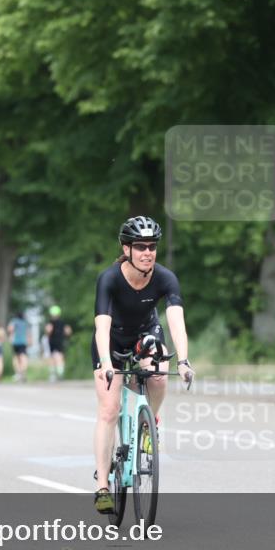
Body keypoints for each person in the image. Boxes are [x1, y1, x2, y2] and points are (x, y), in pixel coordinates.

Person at [91, 216, 194, 515]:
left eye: (152, 246)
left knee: (159, 374)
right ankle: (102, 486)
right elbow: (101, 328)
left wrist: (184, 360)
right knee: (109, 409)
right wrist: (107, 364)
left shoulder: (165, 278)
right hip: (110, 341)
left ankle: (152, 423)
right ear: (126, 249)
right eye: (140, 247)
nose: (148, 252)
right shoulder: (109, 279)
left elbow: (176, 322)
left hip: (145, 336)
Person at [45, 305, 73, 382]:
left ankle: (53, 375)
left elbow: (48, 330)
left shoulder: (50, 322)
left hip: (52, 341)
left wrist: (48, 334)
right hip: (60, 341)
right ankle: (60, 374)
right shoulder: (62, 322)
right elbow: (68, 331)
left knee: (53, 358)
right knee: (60, 357)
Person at [7, 311, 30, 382]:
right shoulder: (25, 323)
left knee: (16, 357)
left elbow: (10, 329)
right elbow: (28, 332)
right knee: (24, 357)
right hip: (24, 342)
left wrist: (10, 336)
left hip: (16, 342)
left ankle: (18, 373)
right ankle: (23, 373)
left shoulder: (14, 321)